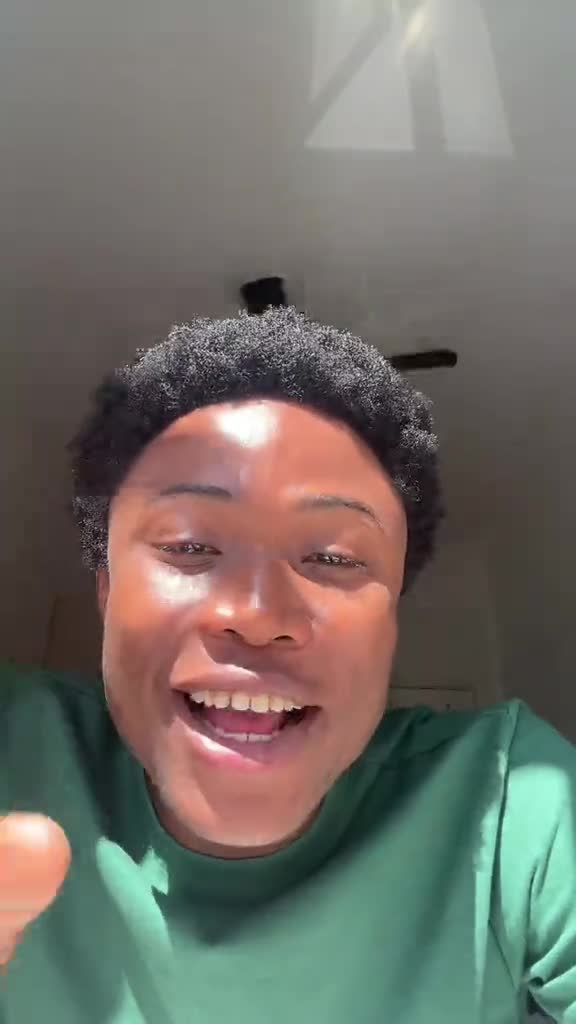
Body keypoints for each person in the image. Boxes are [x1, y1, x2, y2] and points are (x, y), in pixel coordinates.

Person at [0, 307, 573, 1023]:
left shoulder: (515, 801)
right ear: (106, 592)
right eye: (189, 546)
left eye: (333, 557)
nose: (257, 613)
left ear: (391, 616)